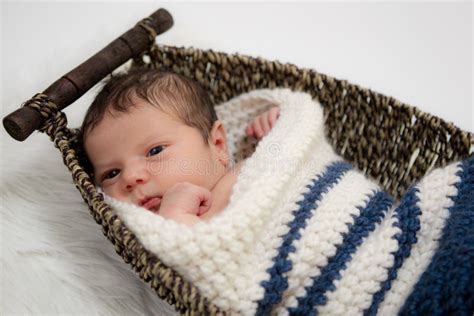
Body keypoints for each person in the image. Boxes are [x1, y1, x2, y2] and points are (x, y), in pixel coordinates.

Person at [80, 68, 280, 226]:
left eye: (155, 151)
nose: (130, 177)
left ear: (217, 144)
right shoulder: (167, 231)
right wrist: (176, 216)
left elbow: (301, 147)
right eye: (112, 173)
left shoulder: (249, 166)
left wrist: (280, 126)